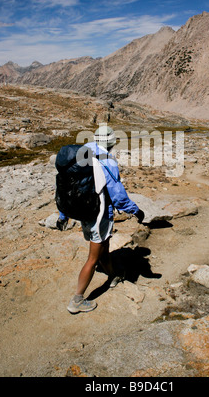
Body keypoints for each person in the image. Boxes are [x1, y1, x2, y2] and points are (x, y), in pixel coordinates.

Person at [56, 125, 144, 314]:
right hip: (99, 215)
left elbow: (64, 189)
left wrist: (63, 216)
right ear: (112, 143)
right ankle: (77, 300)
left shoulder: (82, 153)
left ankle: (113, 275)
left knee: (104, 247)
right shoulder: (106, 160)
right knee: (92, 259)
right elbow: (118, 197)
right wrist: (136, 211)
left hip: (84, 211)